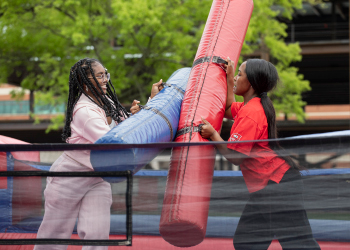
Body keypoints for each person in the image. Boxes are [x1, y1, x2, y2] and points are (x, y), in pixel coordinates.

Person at [34, 58, 163, 250]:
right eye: (100, 75)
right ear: (85, 81)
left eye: (106, 74)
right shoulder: (84, 111)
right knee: (55, 234)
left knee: (97, 234)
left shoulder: (107, 101)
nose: (105, 79)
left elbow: (128, 127)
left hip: (98, 176)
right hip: (70, 177)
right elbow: (115, 140)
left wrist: (149, 103)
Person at [200, 58, 320, 250]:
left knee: (298, 243)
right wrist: (230, 77)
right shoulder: (251, 106)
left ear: (252, 82)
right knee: (246, 242)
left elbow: (236, 157)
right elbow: (229, 108)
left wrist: (214, 135)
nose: (238, 77)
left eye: (240, 74)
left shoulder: (251, 113)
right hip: (268, 188)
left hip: (277, 186)